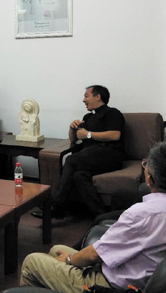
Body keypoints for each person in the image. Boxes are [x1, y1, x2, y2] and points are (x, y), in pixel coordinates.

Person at [20, 142, 166, 293]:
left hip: (111, 288)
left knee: (32, 261)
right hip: (143, 280)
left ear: (149, 179)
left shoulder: (141, 214)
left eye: (145, 165)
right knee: (55, 250)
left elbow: (93, 255)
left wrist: (69, 259)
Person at [32, 85, 125, 220]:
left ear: (98, 97)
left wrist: (88, 134)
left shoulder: (112, 113)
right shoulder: (88, 117)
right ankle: (101, 214)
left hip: (110, 155)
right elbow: (74, 140)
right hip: (91, 157)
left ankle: (57, 206)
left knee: (71, 160)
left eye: (86, 96)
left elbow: (115, 135)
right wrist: (72, 128)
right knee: (79, 175)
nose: (83, 100)